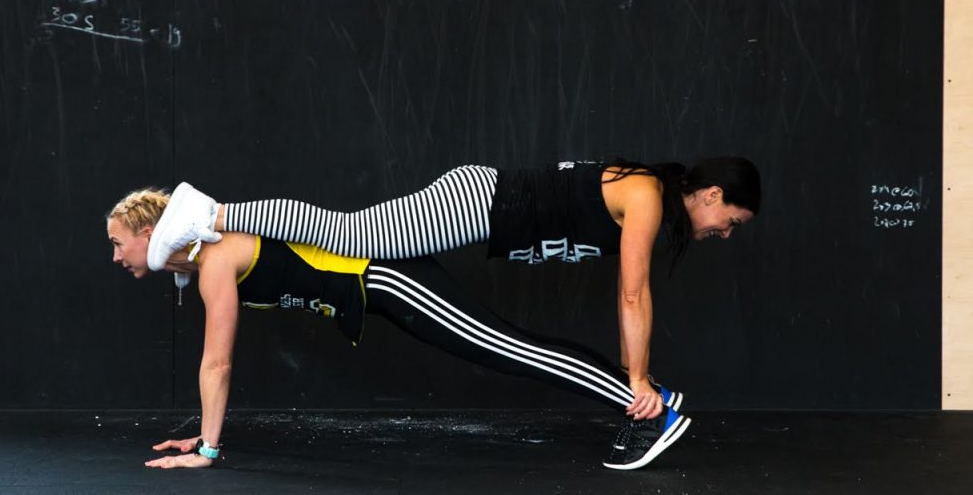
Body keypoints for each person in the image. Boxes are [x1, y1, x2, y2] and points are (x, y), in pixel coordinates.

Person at [107, 188, 696, 471]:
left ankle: (651, 409)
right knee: (507, 345)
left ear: (149, 234)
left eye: (117, 243)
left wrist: (208, 450)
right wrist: (203, 439)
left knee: (506, 348)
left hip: (389, 279)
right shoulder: (205, 262)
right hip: (385, 290)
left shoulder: (215, 258)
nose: (115, 257)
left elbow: (217, 362)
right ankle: (649, 399)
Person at [146, 158, 761, 421]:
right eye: (729, 221)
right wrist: (639, 380)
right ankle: (209, 213)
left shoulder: (649, 195)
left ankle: (202, 223)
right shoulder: (648, 194)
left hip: (480, 201)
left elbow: (630, 296)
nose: (724, 233)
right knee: (347, 233)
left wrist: (637, 376)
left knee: (346, 233)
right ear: (712, 195)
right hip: (479, 201)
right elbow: (632, 295)